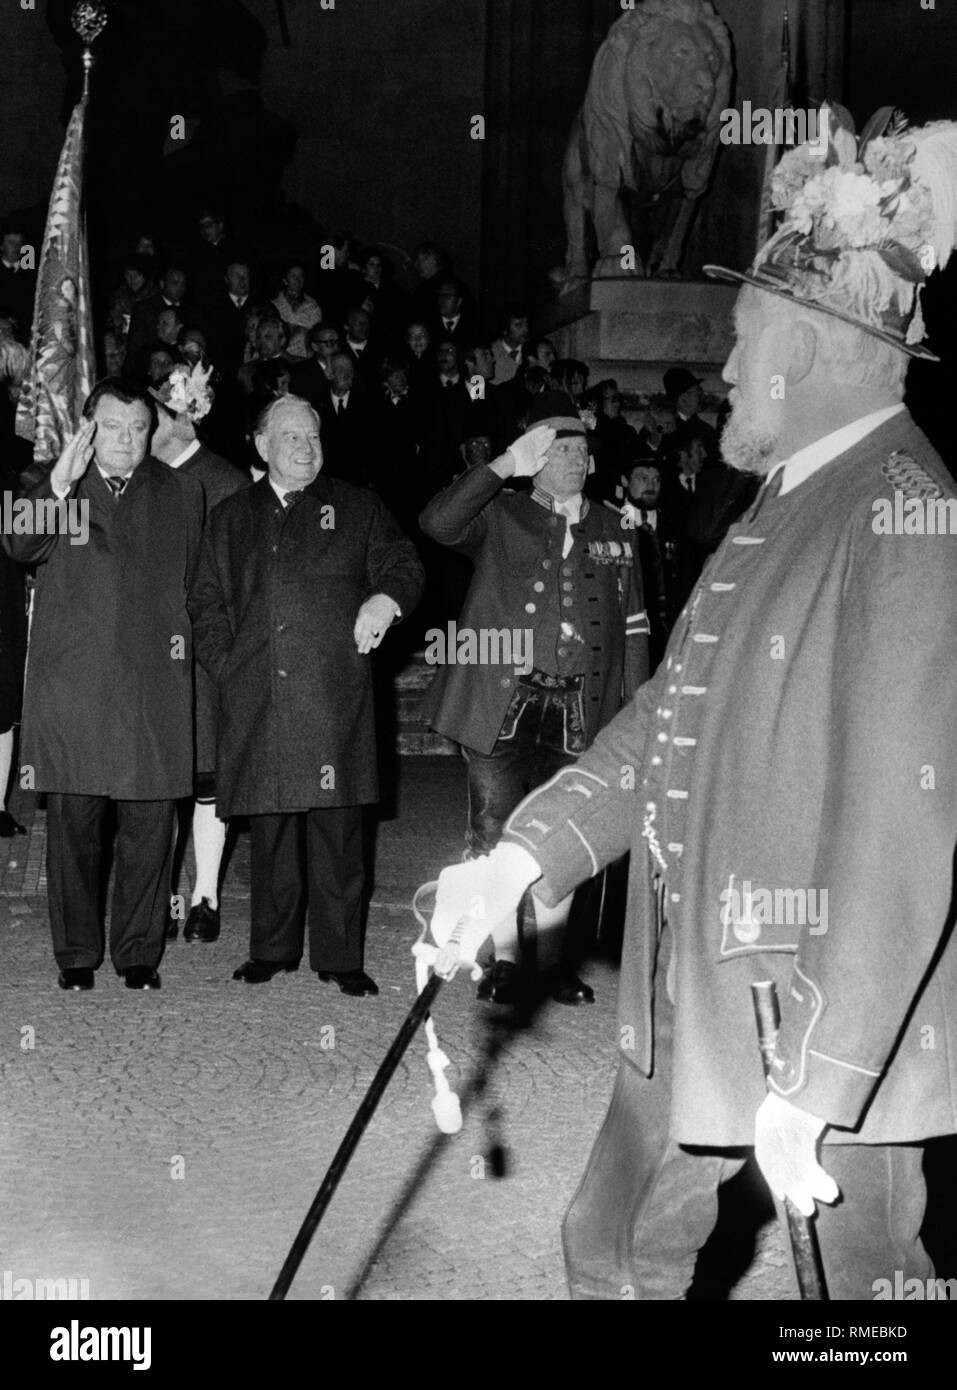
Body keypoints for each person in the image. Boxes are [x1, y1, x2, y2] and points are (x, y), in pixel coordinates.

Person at [427, 108, 957, 1300]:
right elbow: (666, 719)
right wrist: (521, 859)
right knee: (609, 1251)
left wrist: (824, 1080)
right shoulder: (778, 505)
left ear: (808, 351)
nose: (719, 368)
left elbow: (902, 829)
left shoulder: (906, 514)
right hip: (696, 992)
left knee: (871, 1291)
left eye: (738, 340)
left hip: (814, 1017)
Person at [420, 391, 650, 1007]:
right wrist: (501, 466)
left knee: (563, 836)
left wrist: (637, 711)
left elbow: (634, 626)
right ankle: (504, 961)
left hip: (581, 707)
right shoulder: (502, 514)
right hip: (504, 701)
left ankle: (551, 964)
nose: (575, 460)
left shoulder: (614, 528)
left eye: (581, 451)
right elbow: (436, 522)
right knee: (495, 833)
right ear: (535, 456)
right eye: (560, 450)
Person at [189, 395, 424, 996]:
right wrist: (226, 665)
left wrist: (385, 600)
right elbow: (205, 601)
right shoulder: (230, 517)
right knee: (271, 834)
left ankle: (341, 957)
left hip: (331, 697)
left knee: (339, 835)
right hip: (258, 697)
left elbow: (404, 564)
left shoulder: (356, 507)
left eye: (314, 437)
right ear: (262, 446)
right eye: (292, 437)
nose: (306, 447)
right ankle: (271, 949)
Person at [4, 378, 203, 991]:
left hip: (152, 689)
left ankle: (139, 952)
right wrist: (59, 482)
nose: (124, 440)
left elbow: (190, 586)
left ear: (152, 433)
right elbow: (18, 544)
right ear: (88, 428)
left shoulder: (180, 492)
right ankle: (76, 956)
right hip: (76, 690)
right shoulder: (49, 485)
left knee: (149, 828)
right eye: (111, 427)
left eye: (137, 428)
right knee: (75, 830)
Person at [149, 362, 249, 944]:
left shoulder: (228, 483)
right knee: (159, 778)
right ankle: (163, 895)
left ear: (185, 417)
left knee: (208, 775)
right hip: (150, 654)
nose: (143, 428)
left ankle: (206, 893)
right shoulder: (141, 478)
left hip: (206, 655)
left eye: (156, 416)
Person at [272, 261, 322, 360]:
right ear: (285, 280)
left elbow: (316, 337)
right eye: (293, 276)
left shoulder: (313, 306)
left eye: (301, 276)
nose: (298, 280)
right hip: (277, 357)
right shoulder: (274, 304)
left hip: (303, 359)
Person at [491, 306, 530, 385]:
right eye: (519, 325)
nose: (525, 329)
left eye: (526, 324)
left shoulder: (533, 350)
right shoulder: (490, 353)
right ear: (505, 330)